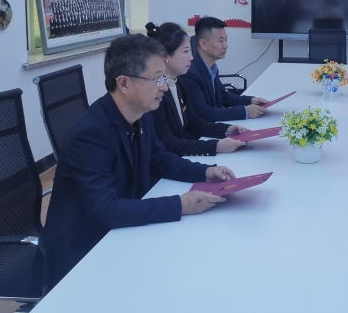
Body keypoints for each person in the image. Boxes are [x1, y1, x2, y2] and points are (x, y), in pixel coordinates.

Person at [43, 34, 236, 287]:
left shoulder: (142, 115)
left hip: (124, 234)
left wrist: (206, 172)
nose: (164, 87)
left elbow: (161, 159)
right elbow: (106, 212)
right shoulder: (90, 135)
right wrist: (180, 204)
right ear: (124, 83)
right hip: (84, 254)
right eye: (157, 78)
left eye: (164, 78)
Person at [146, 21, 249, 157]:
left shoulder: (178, 83)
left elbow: (194, 122)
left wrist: (227, 130)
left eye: (190, 50)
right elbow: (168, 143)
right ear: (165, 56)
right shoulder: (156, 93)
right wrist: (215, 146)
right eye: (186, 51)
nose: (191, 57)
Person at [181, 16, 269, 121]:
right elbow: (204, 113)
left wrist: (251, 100)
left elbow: (223, 96)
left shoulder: (212, 67)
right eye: (221, 41)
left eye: (226, 40)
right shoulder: (190, 73)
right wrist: (245, 111)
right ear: (203, 44)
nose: (226, 45)